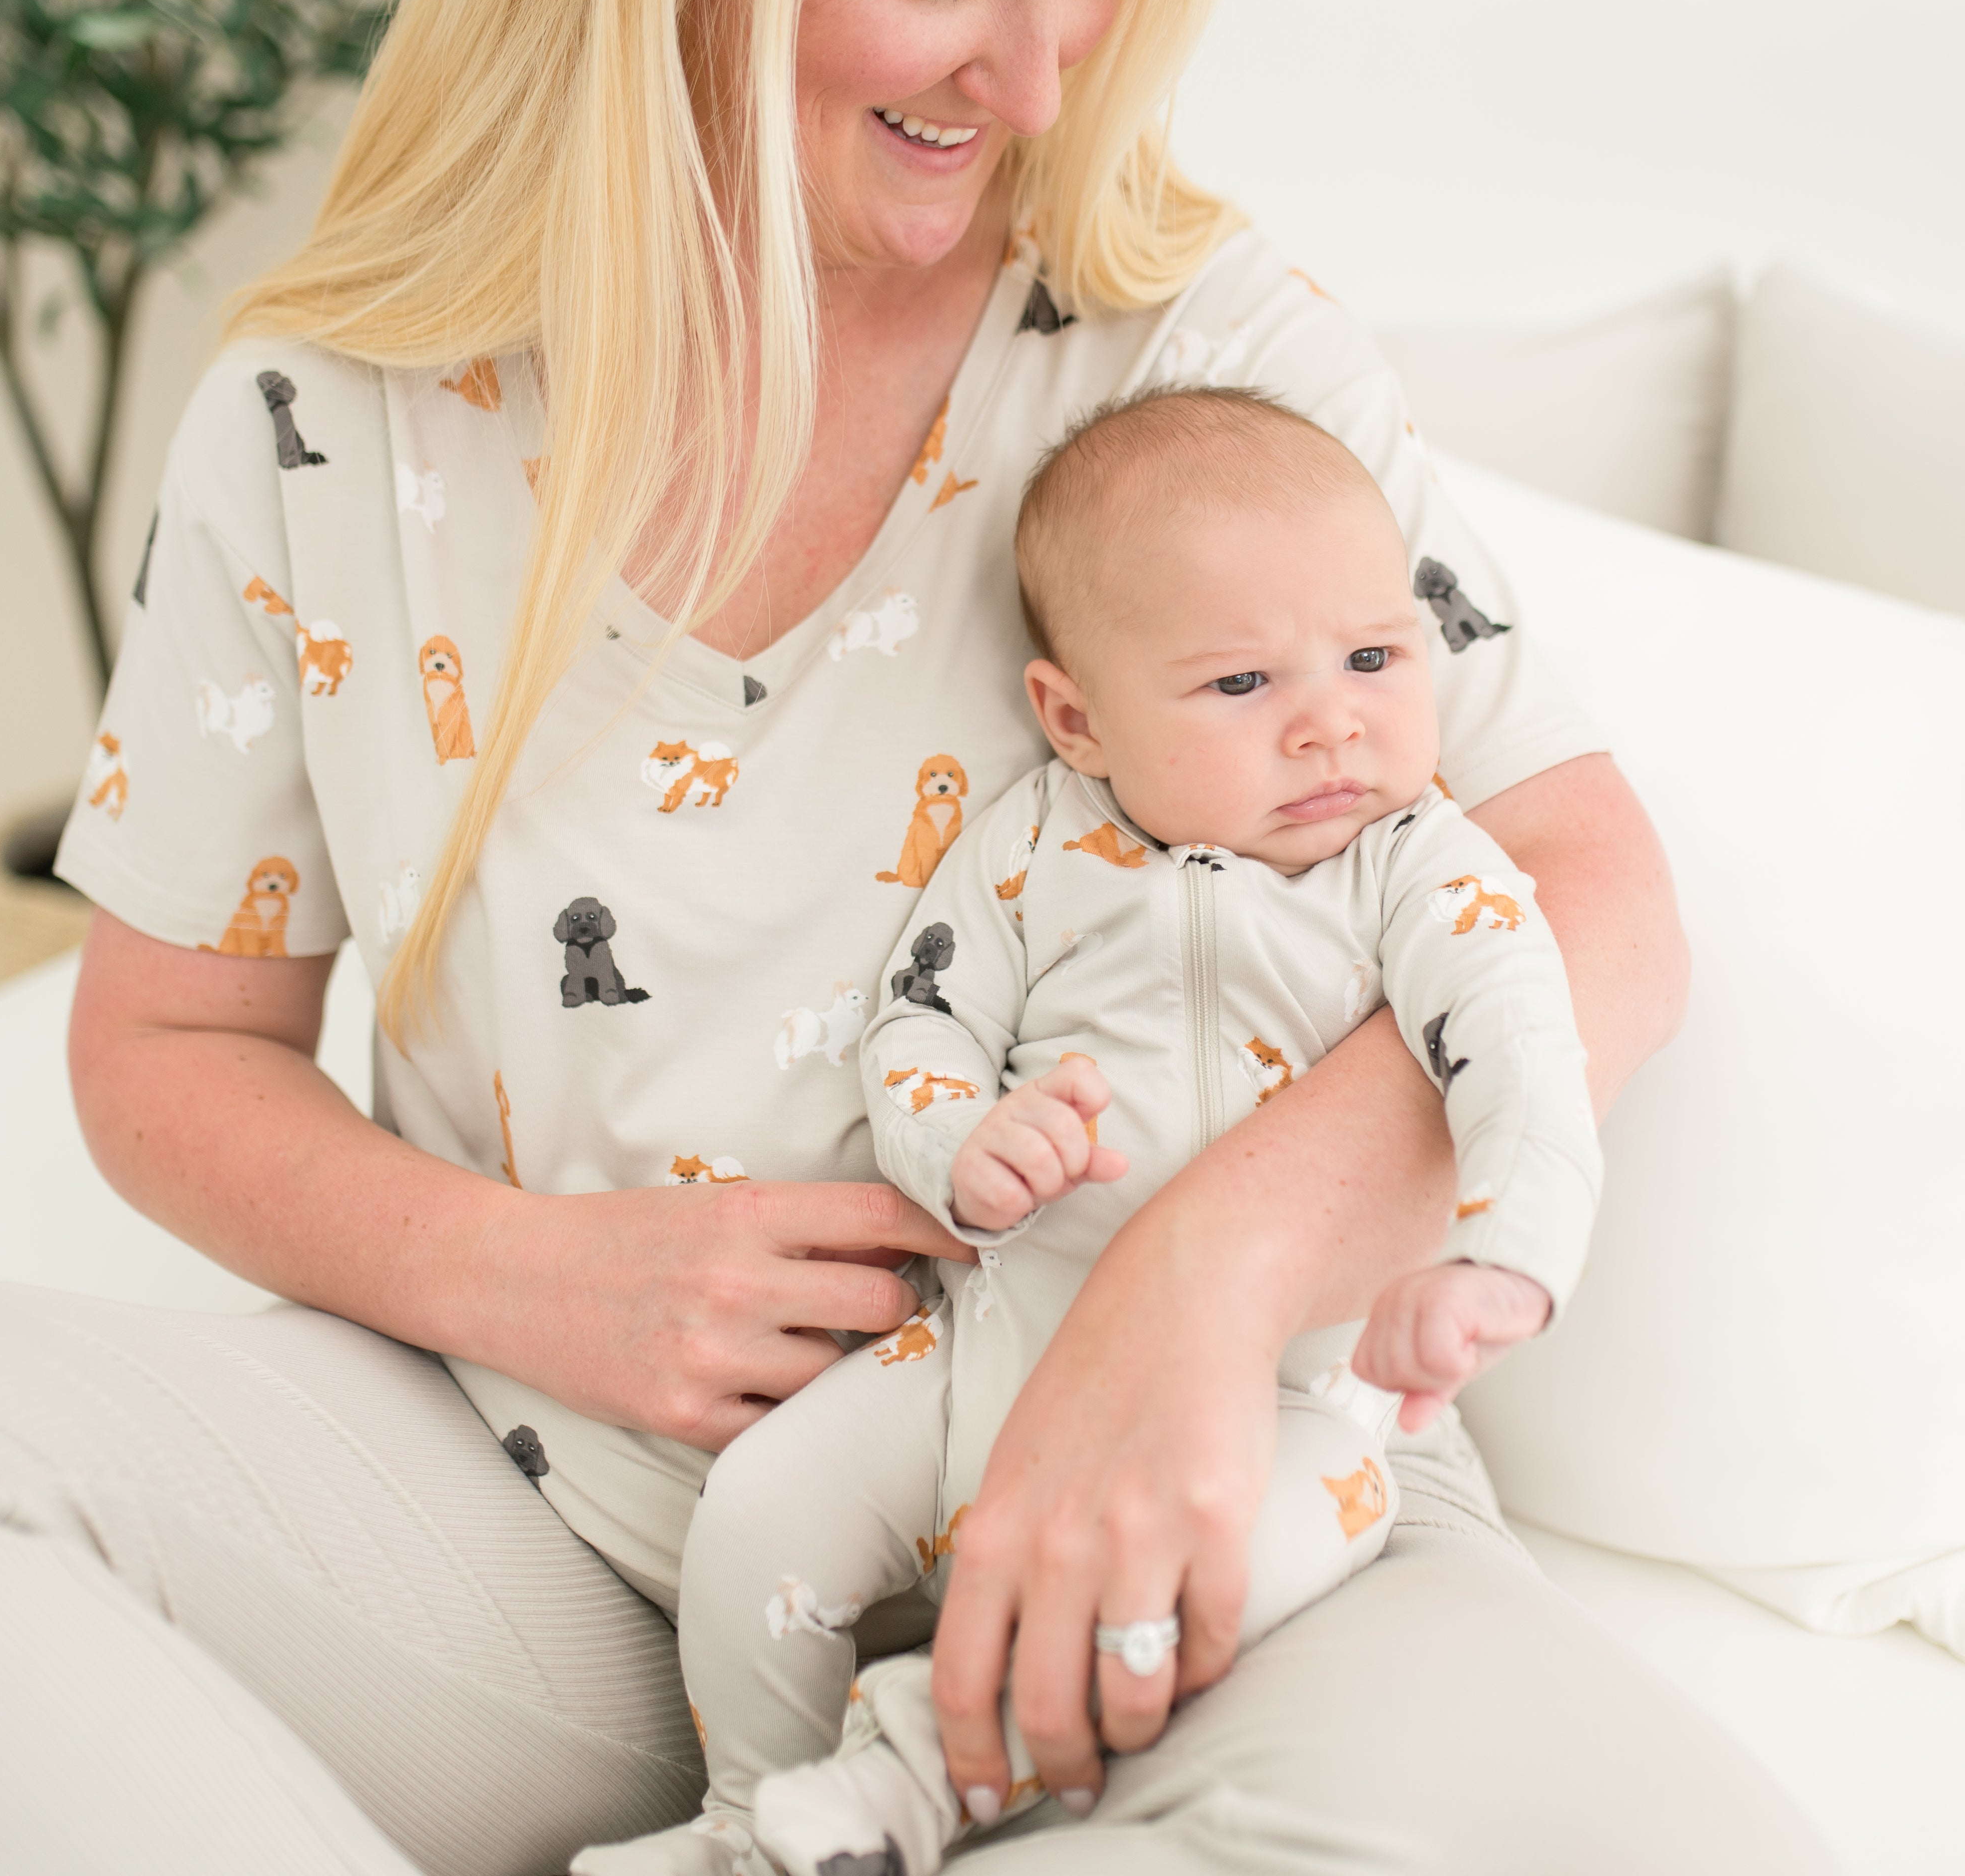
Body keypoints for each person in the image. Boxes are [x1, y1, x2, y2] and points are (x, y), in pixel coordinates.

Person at [0, 0, 1839, 1871]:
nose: (1037, 73)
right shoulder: (324, 419)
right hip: (546, 1517)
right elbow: (166, 1037)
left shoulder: (1193, 363)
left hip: (1200, 1516)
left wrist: (1200, 1285)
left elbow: (1580, 885)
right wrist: (522, 1276)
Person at [601, 386, 1602, 1876]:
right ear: (1078, 717)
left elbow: (1526, 1056)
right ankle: (747, 1816)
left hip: (1291, 1407)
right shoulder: (1032, 845)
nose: (1333, 719)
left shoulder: (1421, 870)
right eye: (1244, 683)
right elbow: (923, 1026)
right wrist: (965, 1145)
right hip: (985, 1349)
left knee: (1234, 1570)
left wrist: (1502, 1261)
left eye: (1376, 658)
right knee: (760, 1513)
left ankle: (912, 1785)